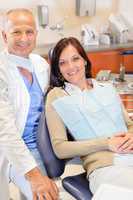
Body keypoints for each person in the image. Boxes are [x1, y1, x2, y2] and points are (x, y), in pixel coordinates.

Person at [45, 37, 133, 195]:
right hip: (105, 167)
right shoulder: (57, 96)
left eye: (75, 59)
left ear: (84, 60)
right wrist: (107, 143)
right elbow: (60, 148)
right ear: (58, 68)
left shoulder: (107, 88)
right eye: (62, 62)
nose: (70, 67)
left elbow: (129, 124)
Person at [0, 8, 59, 200]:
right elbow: (5, 130)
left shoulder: (39, 64)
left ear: (36, 35)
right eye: (16, 32)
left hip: (43, 146)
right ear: (4, 35)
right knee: (45, 196)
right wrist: (34, 175)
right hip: (13, 151)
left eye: (29, 32)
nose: (24, 38)